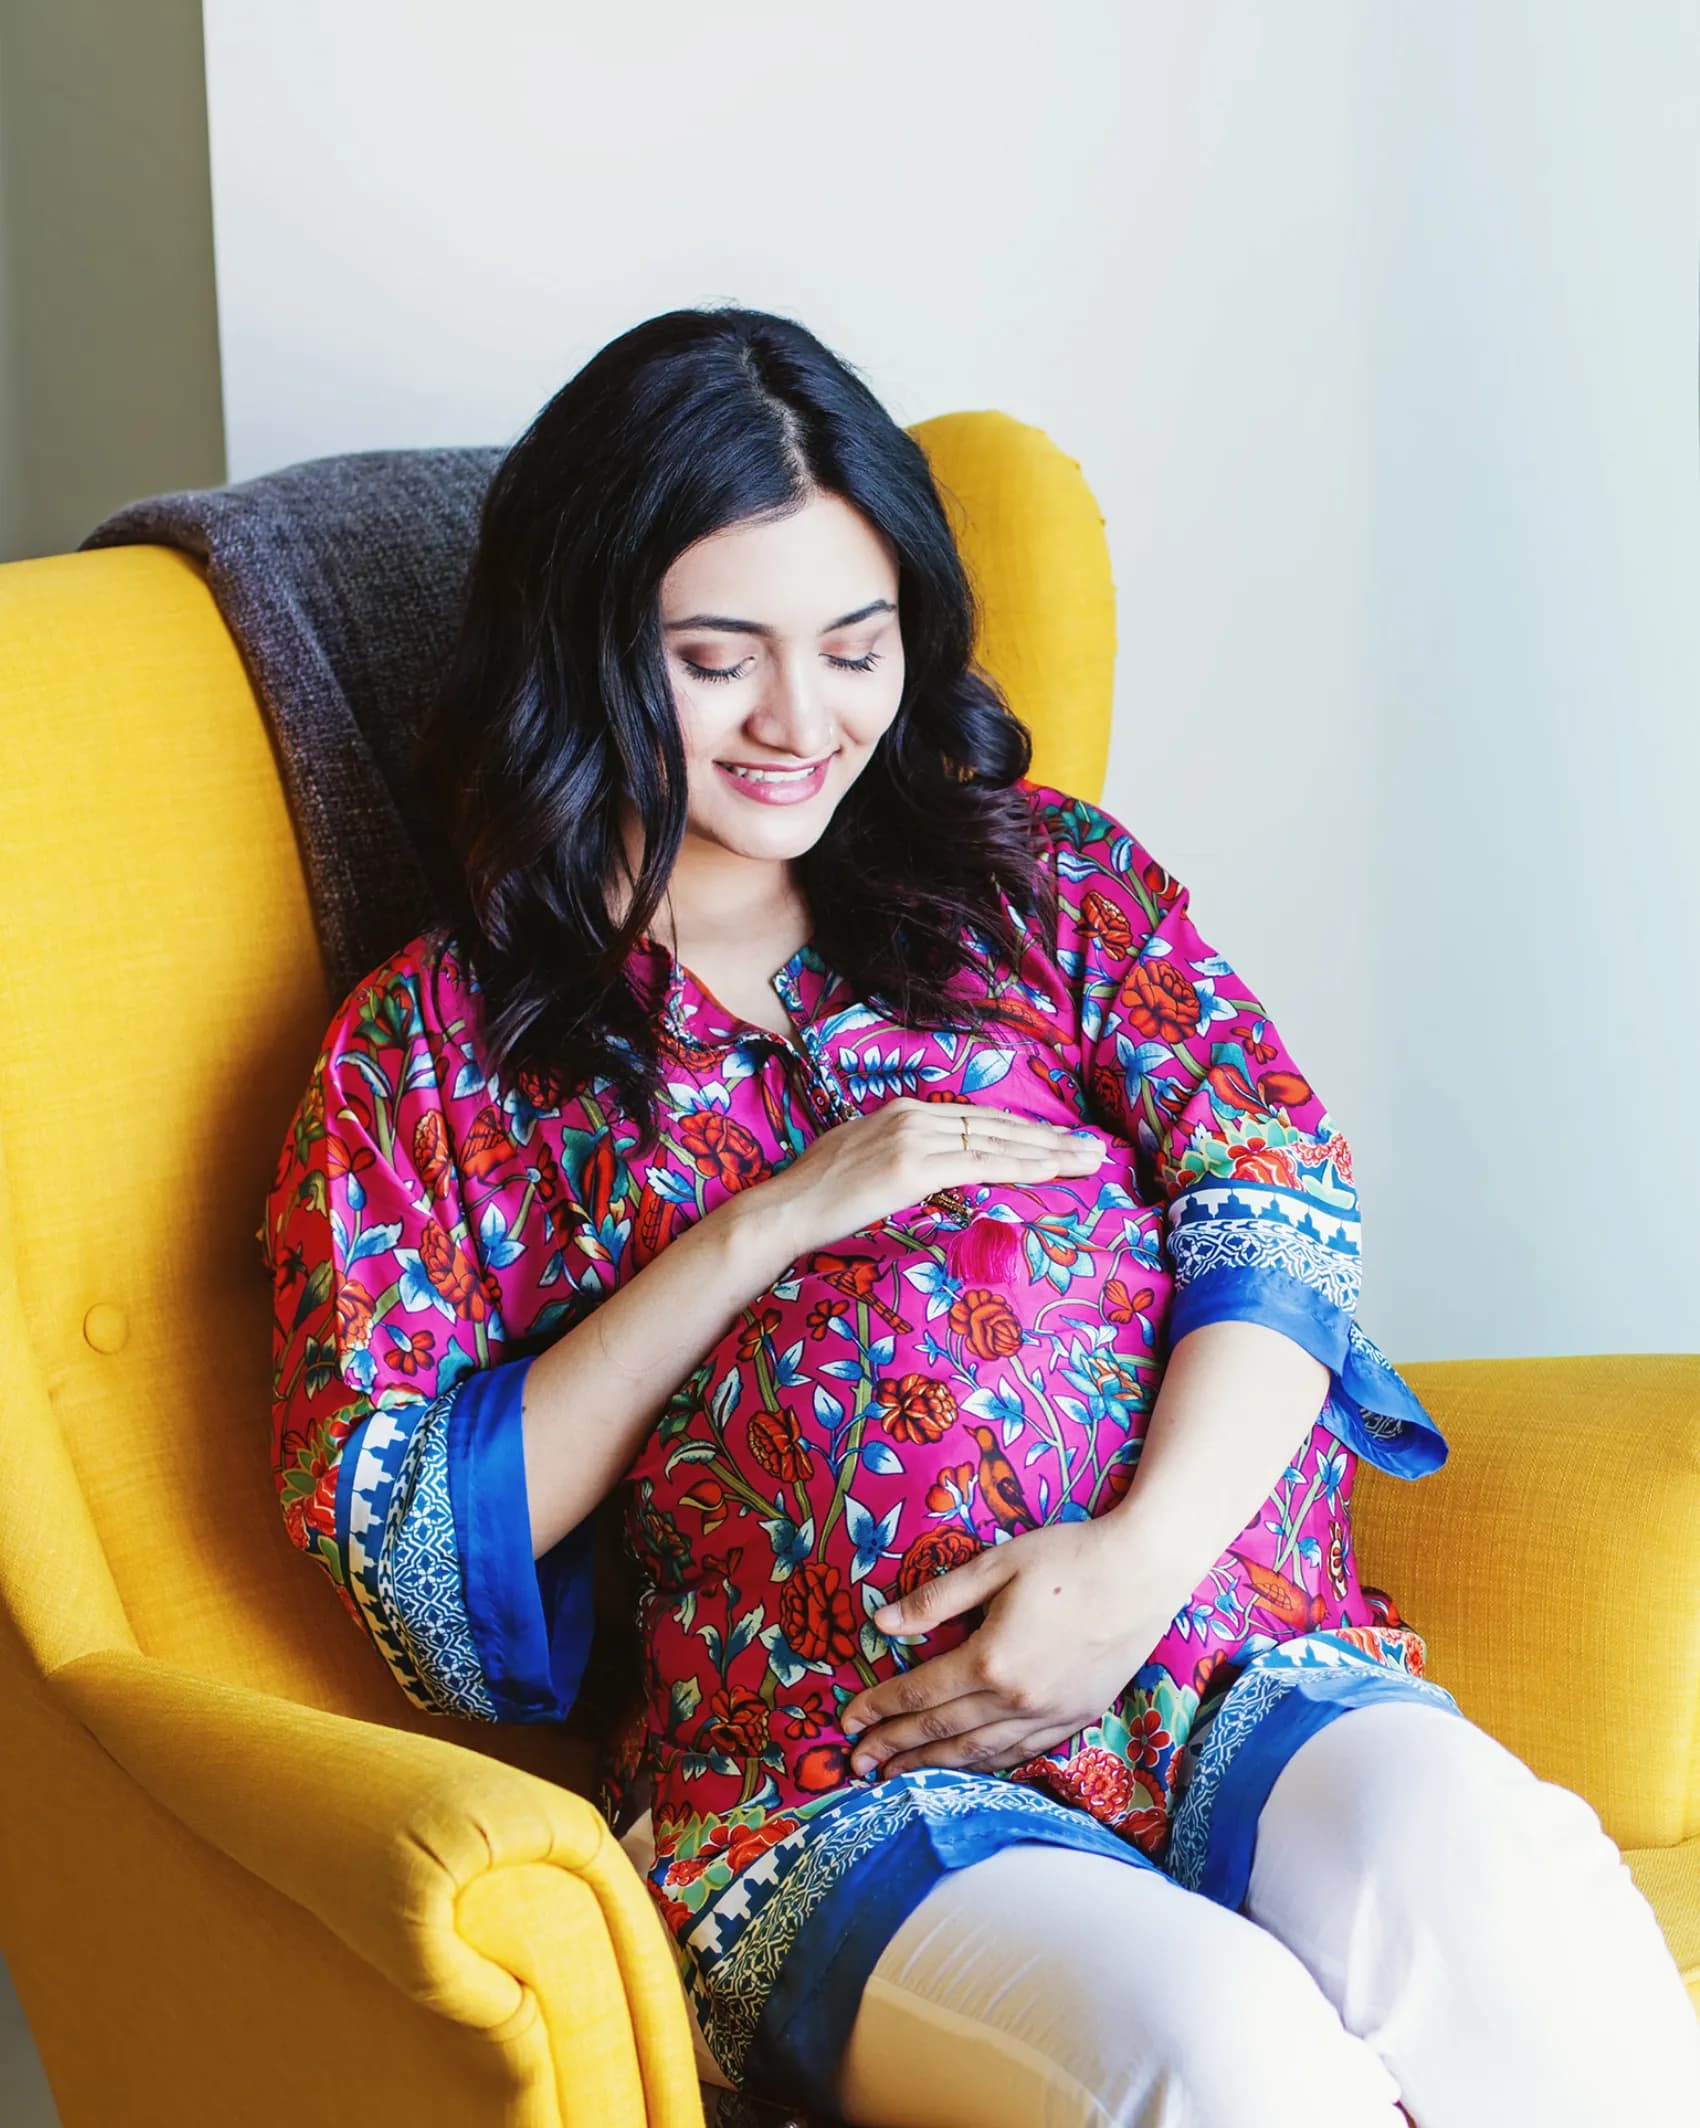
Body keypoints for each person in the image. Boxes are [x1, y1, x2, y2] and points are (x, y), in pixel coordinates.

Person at [261, 305, 1700, 2128]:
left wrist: (1132, 1572)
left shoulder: (1044, 884)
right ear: (585, 646)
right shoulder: (434, 1054)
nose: (802, 722)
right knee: (1218, 2057)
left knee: (1515, 1912)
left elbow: (1275, 1201)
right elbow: (405, 1537)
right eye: (716, 660)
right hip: (831, 1783)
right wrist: (763, 1226)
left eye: (854, 648)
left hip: (1228, 1650)